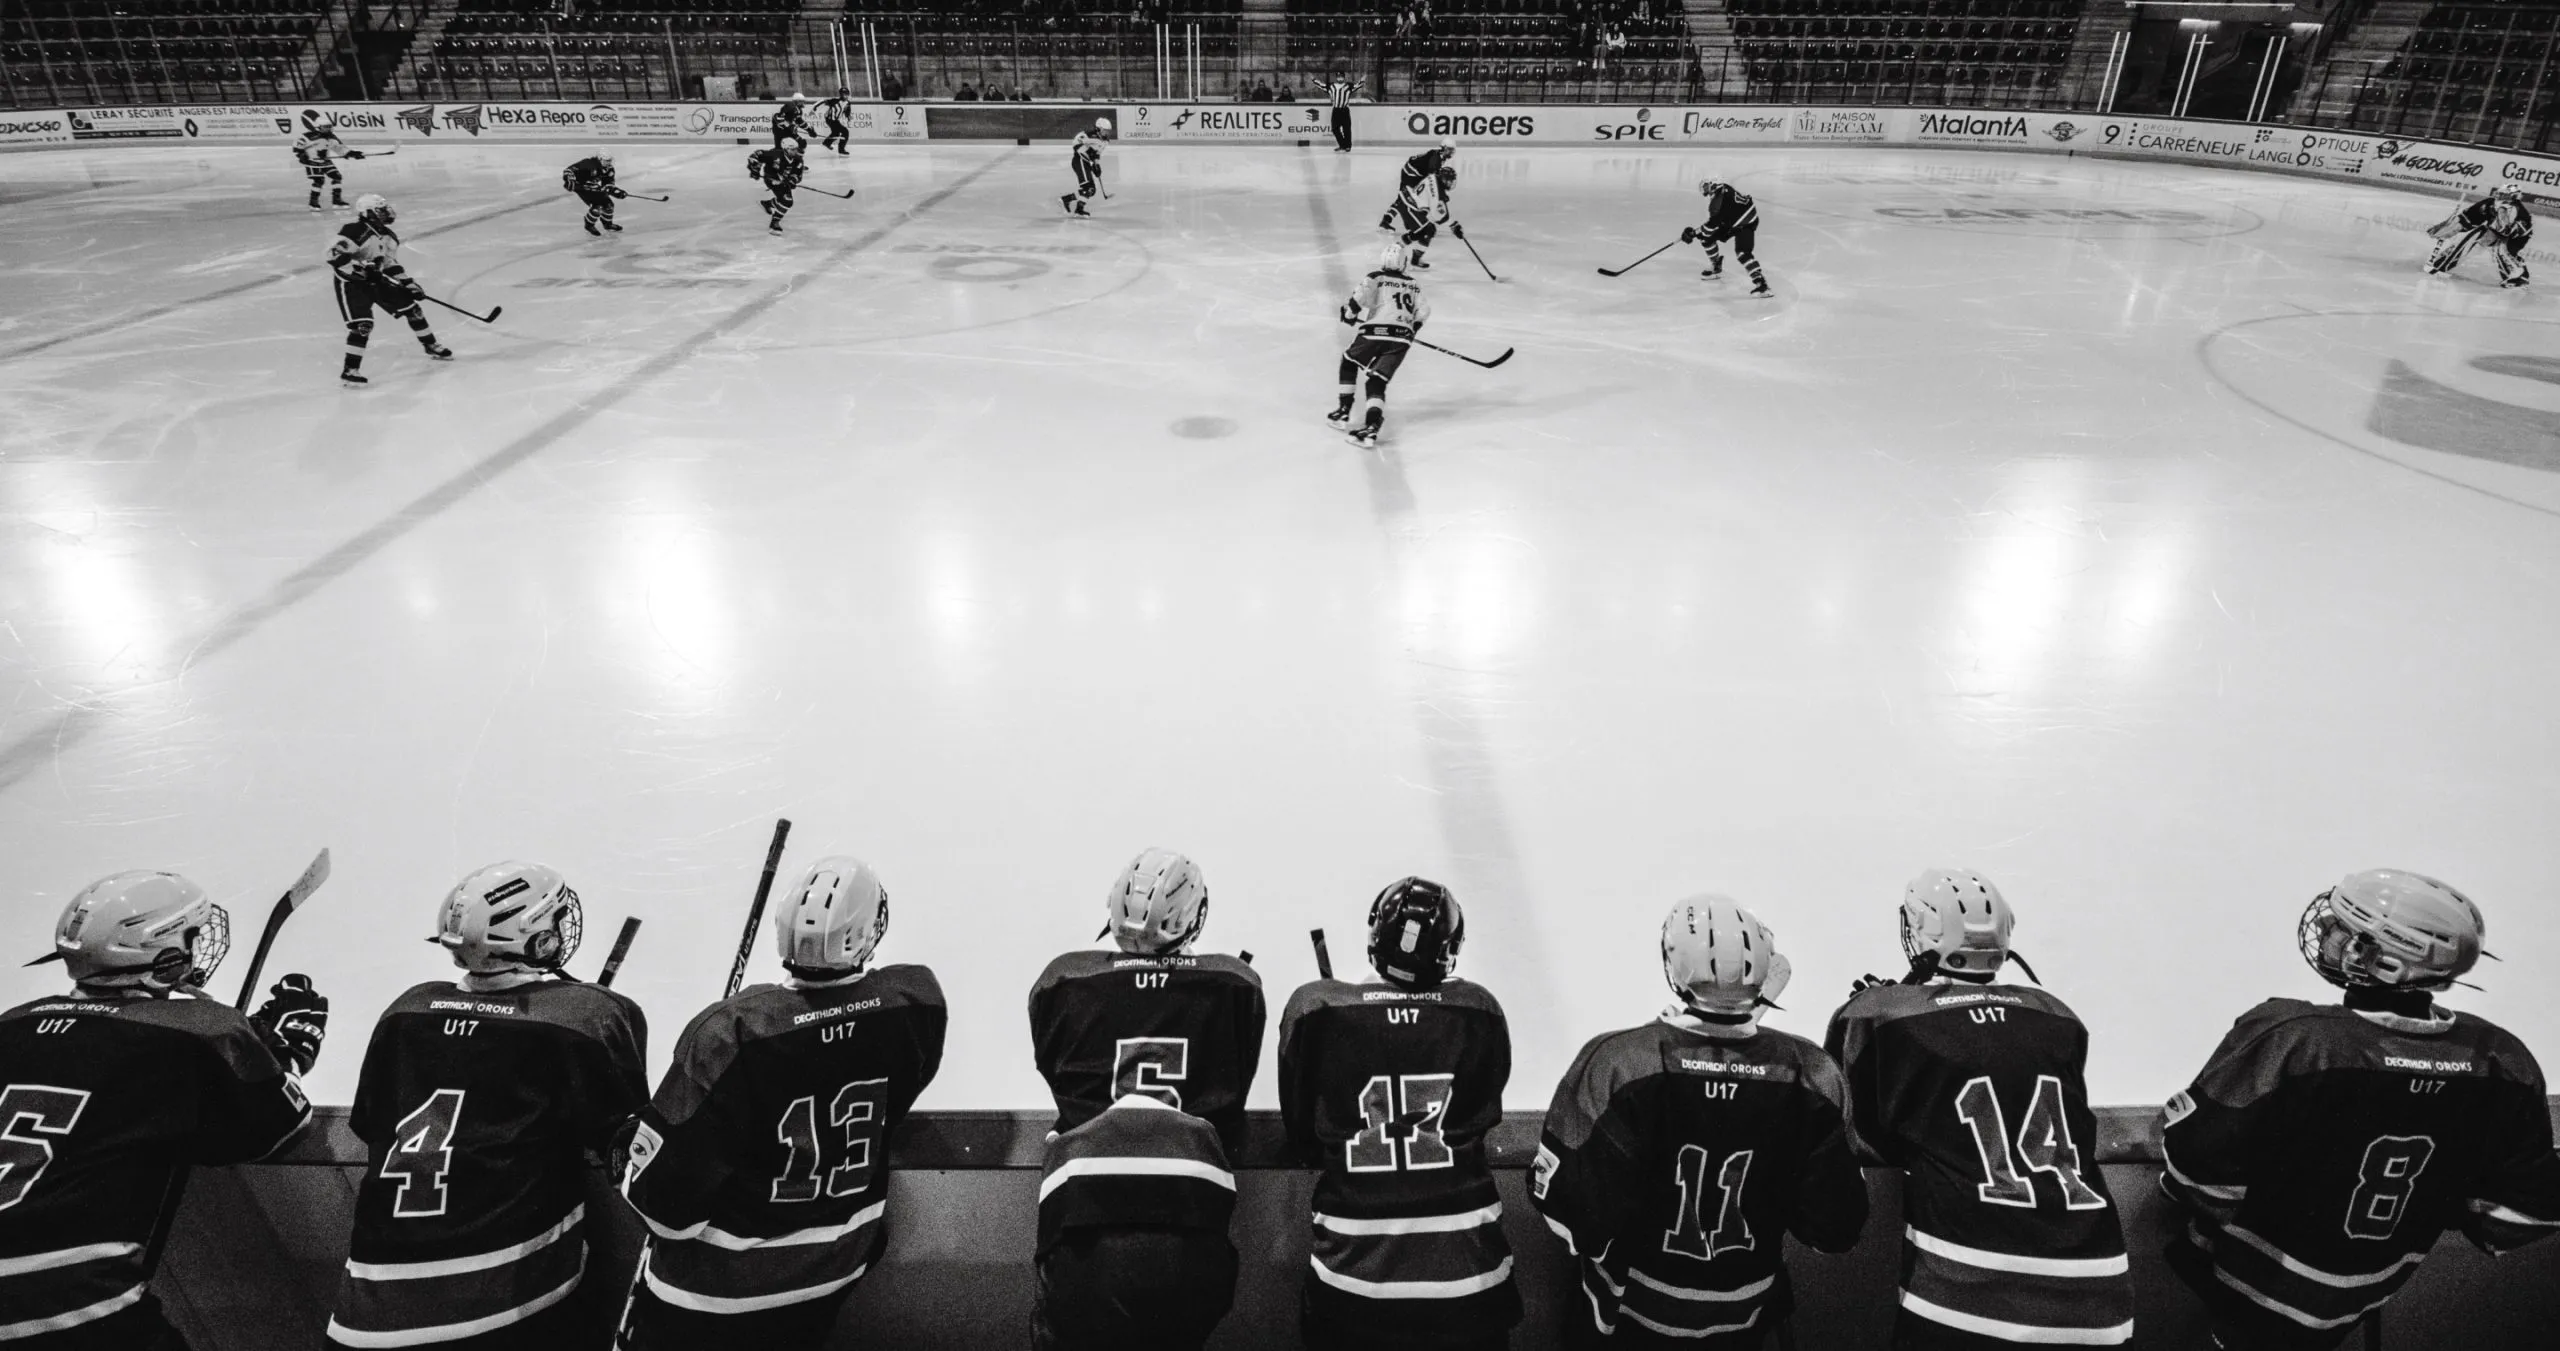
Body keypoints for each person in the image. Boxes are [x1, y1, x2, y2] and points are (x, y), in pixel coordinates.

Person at [2159, 870, 2560, 1350]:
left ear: (2386, 963)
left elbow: (2198, 1176)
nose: (2327, 933)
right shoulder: (2501, 1058)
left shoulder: (2295, 1036)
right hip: (2370, 1291)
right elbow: (2521, 1215)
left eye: (2344, 930)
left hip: (2249, 1289)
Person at [619, 857, 946, 1348]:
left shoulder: (731, 1033)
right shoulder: (914, 1002)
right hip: (833, 1272)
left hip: (714, 1298)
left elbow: (665, 1213)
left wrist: (626, 1156)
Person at [325, 862, 648, 1351]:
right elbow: (625, 1141)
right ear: (537, 939)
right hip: (502, 1303)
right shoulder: (585, 1015)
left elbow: (370, 1122)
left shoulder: (407, 1009)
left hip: (364, 1311)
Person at [0, 871, 322, 1351]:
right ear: (163, 956)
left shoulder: (13, 1023)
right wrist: (286, 1052)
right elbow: (276, 1129)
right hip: (64, 1299)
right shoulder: (200, 1030)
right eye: (190, 936)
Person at [1534, 897, 1867, 1347]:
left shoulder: (1622, 1061)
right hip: (1747, 1320)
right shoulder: (1812, 1071)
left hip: (1629, 1321)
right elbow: (1834, 1229)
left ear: (1674, 967)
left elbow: (1569, 1213)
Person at [1823, 870, 2135, 1348]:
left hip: (1968, 1290)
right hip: (2101, 1287)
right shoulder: (2056, 1013)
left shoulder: (1880, 1012)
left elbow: (1866, 1130)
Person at [1026, 849, 1264, 1349]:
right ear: (1194, 918)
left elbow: (1054, 1069)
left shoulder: (1064, 981)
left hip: (1082, 1231)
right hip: (1189, 1228)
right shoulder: (1233, 986)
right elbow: (1232, 1090)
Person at [1278, 878, 1519, 1351]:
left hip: (1353, 1284)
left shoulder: (1316, 1009)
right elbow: (1484, 1103)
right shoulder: (1479, 1010)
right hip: (1469, 1286)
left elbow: (1303, 1132)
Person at [328, 194, 451, 385]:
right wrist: (362, 269)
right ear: (368, 213)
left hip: (376, 281)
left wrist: (408, 283)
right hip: (352, 284)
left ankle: (430, 345)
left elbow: (388, 264)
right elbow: (333, 256)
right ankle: (350, 370)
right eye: (381, 210)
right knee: (362, 327)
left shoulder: (387, 236)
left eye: (385, 209)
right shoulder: (354, 231)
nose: (386, 213)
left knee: (413, 310)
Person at [1332, 242, 1430, 448]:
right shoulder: (1413, 284)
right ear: (1403, 263)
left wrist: (1349, 315)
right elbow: (1423, 311)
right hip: (1402, 338)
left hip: (1374, 333)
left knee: (1349, 362)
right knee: (1376, 381)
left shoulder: (1376, 277)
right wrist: (1413, 329)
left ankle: (1343, 411)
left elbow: (1359, 297)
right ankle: (1371, 427)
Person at [2427, 184, 2533, 287]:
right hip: (2495, 231)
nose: (2499, 197)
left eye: (2504, 195)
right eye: (2499, 194)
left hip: (2516, 238)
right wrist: (2452, 227)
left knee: (2502, 251)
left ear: (2514, 197)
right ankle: (2442, 263)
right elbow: (2469, 217)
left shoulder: (2516, 211)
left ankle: (2518, 278)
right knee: (2474, 238)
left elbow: (2509, 231)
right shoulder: (2489, 204)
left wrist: (2487, 239)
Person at [1380, 138, 1458, 270]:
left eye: (1452, 150)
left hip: (1412, 173)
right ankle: (1387, 221)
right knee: (1405, 198)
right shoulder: (1436, 158)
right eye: (1449, 149)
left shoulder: (1440, 157)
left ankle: (1388, 220)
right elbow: (1433, 181)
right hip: (1410, 174)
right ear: (1443, 148)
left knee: (1405, 198)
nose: (1450, 152)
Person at [1687, 179, 1770, 296]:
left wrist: (1694, 233)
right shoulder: (1724, 187)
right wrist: (1698, 232)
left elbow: (1712, 225)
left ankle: (1762, 284)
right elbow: (1718, 219)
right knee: (1706, 238)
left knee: (1743, 253)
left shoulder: (1715, 204)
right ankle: (1716, 266)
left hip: (1745, 223)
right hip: (1736, 220)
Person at [293, 118, 365, 211]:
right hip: (312, 162)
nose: (329, 129)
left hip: (326, 162)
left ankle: (337, 200)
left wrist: (352, 153)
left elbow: (340, 148)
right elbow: (297, 146)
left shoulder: (332, 137)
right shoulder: (308, 136)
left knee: (337, 177)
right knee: (319, 181)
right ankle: (313, 202)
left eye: (329, 127)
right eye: (326, 127)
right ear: (318, 127)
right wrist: (301, 155)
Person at [749, 139, 808, 235]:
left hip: (784, 182)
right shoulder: (775, 154)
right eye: (792, 149)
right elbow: (756, 155)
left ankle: (767, 204)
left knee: (785, 201)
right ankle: (774, 223)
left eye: (795, 149)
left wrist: (793, 180)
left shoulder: (798, 160)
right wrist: (755, 169)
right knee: (787, 201)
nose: (795, 151)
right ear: (785, 149)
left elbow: (798, 175)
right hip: (771, 179)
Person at [561, 153, 623, 237]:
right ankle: (589, 225)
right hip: (581, 188)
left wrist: (616, 192)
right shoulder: (588, 164)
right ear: (600, 159)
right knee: (597, 207)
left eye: (610, 160)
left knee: (609, 205)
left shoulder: (609, 169)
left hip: (593, 187)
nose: (609, 162)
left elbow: (608, 184)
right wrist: (570, 180)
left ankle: (608, 224)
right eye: (606, 160)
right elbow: (569, 171)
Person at [1060, 118, 1111, 217]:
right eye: (1105, 131)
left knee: (1091, 190)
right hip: (1080, 161)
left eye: (1108, 131)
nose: (1106, 133)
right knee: (1088, 188)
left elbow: (1097, 154)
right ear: (1098, 129)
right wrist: (1088, 152)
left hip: (1086, 162)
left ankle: (1079, 209)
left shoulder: (1105, 141)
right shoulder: (1089, 135)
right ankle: (1066, 200)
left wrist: (1096, 165)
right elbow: (1076, 145)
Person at [1324, 74, 1363, 153]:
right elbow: (1321, 86)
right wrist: (1313, 79)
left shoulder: (1348, 86)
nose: (1340, 78)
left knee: (1346, 129)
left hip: (1344, 110)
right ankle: (1342, 145)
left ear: (1344, 78)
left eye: (1341, 76)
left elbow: (1358, 85)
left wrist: (1363, 79)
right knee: (1335, 128)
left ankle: (1347, 146)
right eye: (1338, 76)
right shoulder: (1332, 86)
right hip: (1336, 110)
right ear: (1336, 77)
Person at [819, 89, 854, 155]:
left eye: (847, 94)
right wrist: (814, 109)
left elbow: (847, 111)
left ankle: (826, 143)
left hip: (835, 120)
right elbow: (823, 102)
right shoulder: (834, 101)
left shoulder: (848, 103)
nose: (846, 96)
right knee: (845, 132)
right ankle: (841, 149)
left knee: (836, 133)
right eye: (844, 94)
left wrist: (848, 116)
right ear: (841, 95)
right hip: (829, 119)